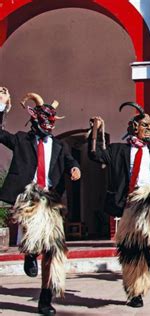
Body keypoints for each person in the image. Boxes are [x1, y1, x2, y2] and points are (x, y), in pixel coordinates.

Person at [88, 96, 150, 308]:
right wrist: (96, 130)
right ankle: (135, 293)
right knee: (132, 252)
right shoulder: (118, 150)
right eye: (145, 125)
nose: (149, 129)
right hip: (129, 204)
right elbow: (95, 155)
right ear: (133, 126)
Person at [0, 91, 81, 315]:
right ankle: (29, 252)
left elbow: (69, 159)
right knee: (33, 230)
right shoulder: (20, 140)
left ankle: (45, 299)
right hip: (28, 196)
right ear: (34, 120)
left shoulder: (59, 145)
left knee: (52, 250)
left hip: (50, 199)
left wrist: (74, 167)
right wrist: (1, 106)